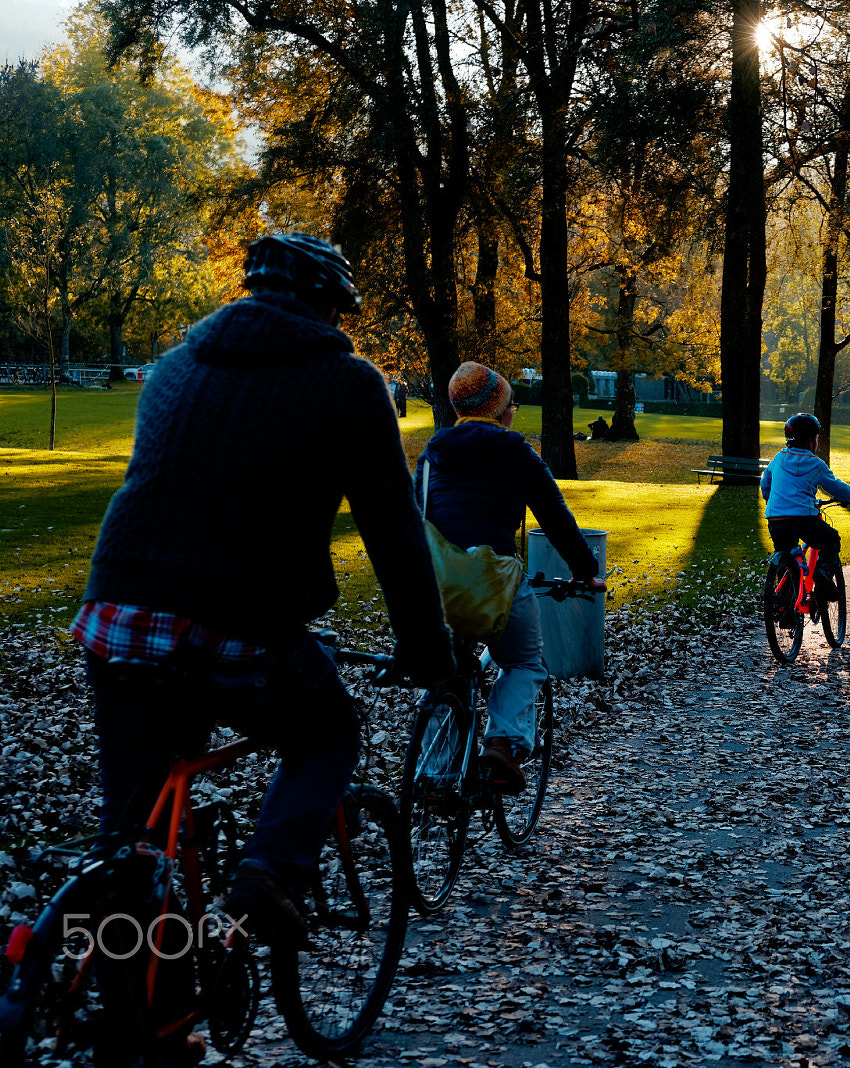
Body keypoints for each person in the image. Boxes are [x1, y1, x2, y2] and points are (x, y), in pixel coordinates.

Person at [74, 233, 455, 1059]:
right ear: (327, 308)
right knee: (326, 732)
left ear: (247, 291)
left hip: (117, 613)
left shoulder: (176, 366)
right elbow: (395, 534)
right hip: (235, 622)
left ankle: (144, 1020)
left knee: (133, 838)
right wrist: (430, 652)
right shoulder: (349, 383)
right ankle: (267, 878)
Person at [416, 361, 606, 792]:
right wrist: (586, 572)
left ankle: (434, 776)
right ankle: (501, 743)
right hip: (494, 579)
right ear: (499, 408)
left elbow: (413, 520)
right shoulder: (516, 452)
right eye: (511, 406)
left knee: (446, 674)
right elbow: (555, 519)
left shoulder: (431, 457)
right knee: (524, 662)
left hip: (436, 585)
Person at [761, 412, 850, 601]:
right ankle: (823, 575)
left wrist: (770, 499)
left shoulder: (778, 459)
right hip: (803, 519)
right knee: (831, 540)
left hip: (775, 519)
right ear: (811, 441)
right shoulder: (815, 464)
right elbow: (837, 488)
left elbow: (765, 483)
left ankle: (784, 607)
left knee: (786, 555)